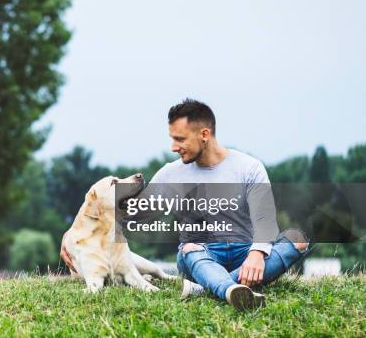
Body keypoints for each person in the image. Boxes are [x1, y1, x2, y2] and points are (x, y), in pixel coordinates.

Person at [60, 98, 309, 311]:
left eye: (180, 139)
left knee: (297, 239)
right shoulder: (172, 174)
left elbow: (265, 220)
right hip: (200, 255)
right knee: (190, 247)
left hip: (245, 254)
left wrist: (256, 254)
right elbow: (130, 215)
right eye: (172, 138)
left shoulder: (249, 168)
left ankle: (205, 290)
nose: (173, 147)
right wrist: (73, 234)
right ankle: (231, 288)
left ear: (204, 135)